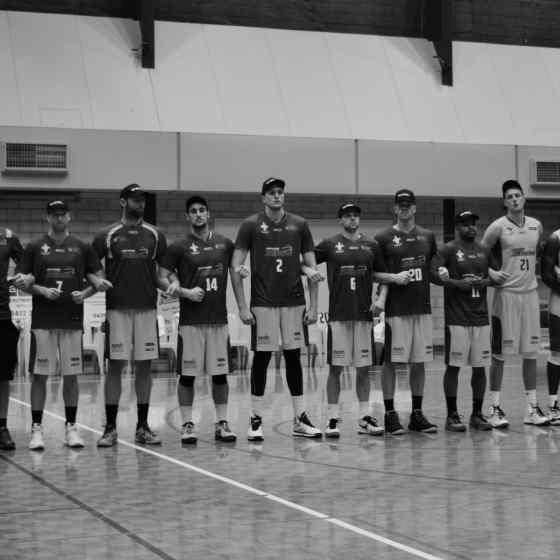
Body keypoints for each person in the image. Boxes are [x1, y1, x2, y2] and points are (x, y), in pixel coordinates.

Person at [231, 177, 321, 441]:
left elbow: (312, 267)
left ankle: (300, 418)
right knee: (262, 358)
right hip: (264, 302)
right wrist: (242, 306)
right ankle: (255, 419)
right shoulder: (250, 225)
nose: (276, 196)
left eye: (280, 192)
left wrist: (314, 305)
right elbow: (235, 266)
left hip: (294, 302)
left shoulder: (300, 224)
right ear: (263, 198)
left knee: (294, 358)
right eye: (271, 193)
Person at [313, 202, 409, 438]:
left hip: (364, 317)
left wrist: (384, 295)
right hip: (338, 316)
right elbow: (306, 260)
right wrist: (308, 272)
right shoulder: (329, 244)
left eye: (356, 216)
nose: (352, 219)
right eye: (347, 216)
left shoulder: (371, 245)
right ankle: (333, 419)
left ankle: (364, 418)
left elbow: (379, 275)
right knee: (335, 369)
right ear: (340, 220)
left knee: (364, 370)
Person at [21, 200, 104, 450]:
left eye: (63, 214)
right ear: (47, 217)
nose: (59, 218)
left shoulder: (82, 247)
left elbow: (97, 280)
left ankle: (71, 427)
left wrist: (86, 294)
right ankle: (36, 430)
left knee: (71, 376)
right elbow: (22, 282)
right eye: (54, 214)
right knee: (40, 376)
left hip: (71, 320)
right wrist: (41, 290)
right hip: (43, 321)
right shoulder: (35, 247)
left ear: (69, 217)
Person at [93, 184, 167, 447]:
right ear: (123, 201)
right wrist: (96, 281)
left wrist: (174, 288)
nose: (141, 203)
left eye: (143, 199)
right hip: (117, 310)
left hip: (147, 310)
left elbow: (159, 276)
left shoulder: (155, 235)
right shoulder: (107, 234)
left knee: (145, 367)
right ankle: (111, 427)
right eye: (135, 199)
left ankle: (142, 426)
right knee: (115, 366)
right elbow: (91, 268)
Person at [159, 195, 238, 444]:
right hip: (191, 322)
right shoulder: (178, 246)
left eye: (202, 210)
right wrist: (183, 291)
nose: (198, 214)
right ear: (187, 217)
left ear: (208, 214)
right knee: (188, 376)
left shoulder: (225, 244)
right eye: (193, 211)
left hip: (218, 320)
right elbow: (161, 277)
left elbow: (238, 267)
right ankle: (187, 424)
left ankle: (222, 423)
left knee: (220, 376)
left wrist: (243, 270)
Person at [481, 179, 548, 427]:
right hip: (505, 296)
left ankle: (532, 408)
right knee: (499, 354)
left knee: (531, 353)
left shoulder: (536, 226)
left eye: (517, 195)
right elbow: (478, 254)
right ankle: (495, 407)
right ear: (504, 201)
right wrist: (490, 272)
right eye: (509, 197)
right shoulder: (497, 228)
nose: (514, 200)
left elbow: (540, 254)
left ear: (524, 198)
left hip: (530, 295)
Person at [374, 188, 438, 435]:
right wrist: (391, 280)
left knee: (419, 361)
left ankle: (417, 414)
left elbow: (433, 268)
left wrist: (441, 274)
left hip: (421, 308)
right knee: (391, 361)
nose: (404, 208)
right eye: (400, 204)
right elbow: (374, 273)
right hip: (395, 310)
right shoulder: (383, 238)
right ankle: (390, 414)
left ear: (414, 208)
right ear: (394, 208)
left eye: (408, 204)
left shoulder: (428, 236)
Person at [434, 210, 493, 432]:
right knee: (454, 367)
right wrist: (459, 284)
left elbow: (495, 277)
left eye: (474, 224)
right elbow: (434, 276)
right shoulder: (447, 250)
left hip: (480, 317)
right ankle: (452, 415)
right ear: (458, 227)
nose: (471, 228)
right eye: (466, 224)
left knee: (480, 368)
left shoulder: (484, 250)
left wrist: (483, 282)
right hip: (457, 317)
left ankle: (477, 414)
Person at [0, 228, 30, 450]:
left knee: (2, 376)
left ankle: (2, 427)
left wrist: (20, 275)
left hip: (2, 314)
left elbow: (25, 262)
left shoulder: (8, 236)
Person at [541, 228, 560, 425]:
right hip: (559, 303)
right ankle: (553, 405)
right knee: (557, 354)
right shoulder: (556, 238)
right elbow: (546, 274)